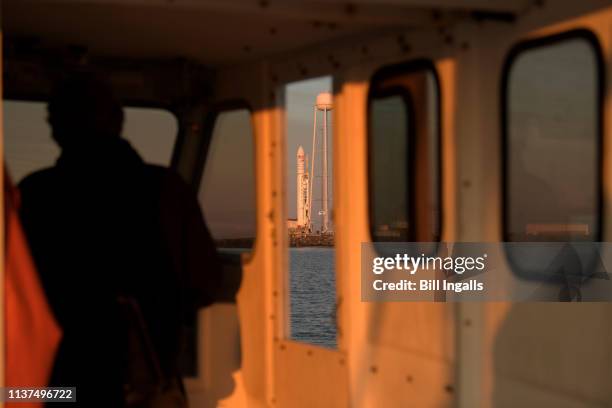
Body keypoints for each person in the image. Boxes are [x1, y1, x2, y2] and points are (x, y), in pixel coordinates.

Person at [18, 71, 224, 407]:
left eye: (54, 117)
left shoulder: (35, 193)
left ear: (58, 128)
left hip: (58, 386)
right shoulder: (166, 189)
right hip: (144, 384)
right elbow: (205, 282)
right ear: (117, 120)